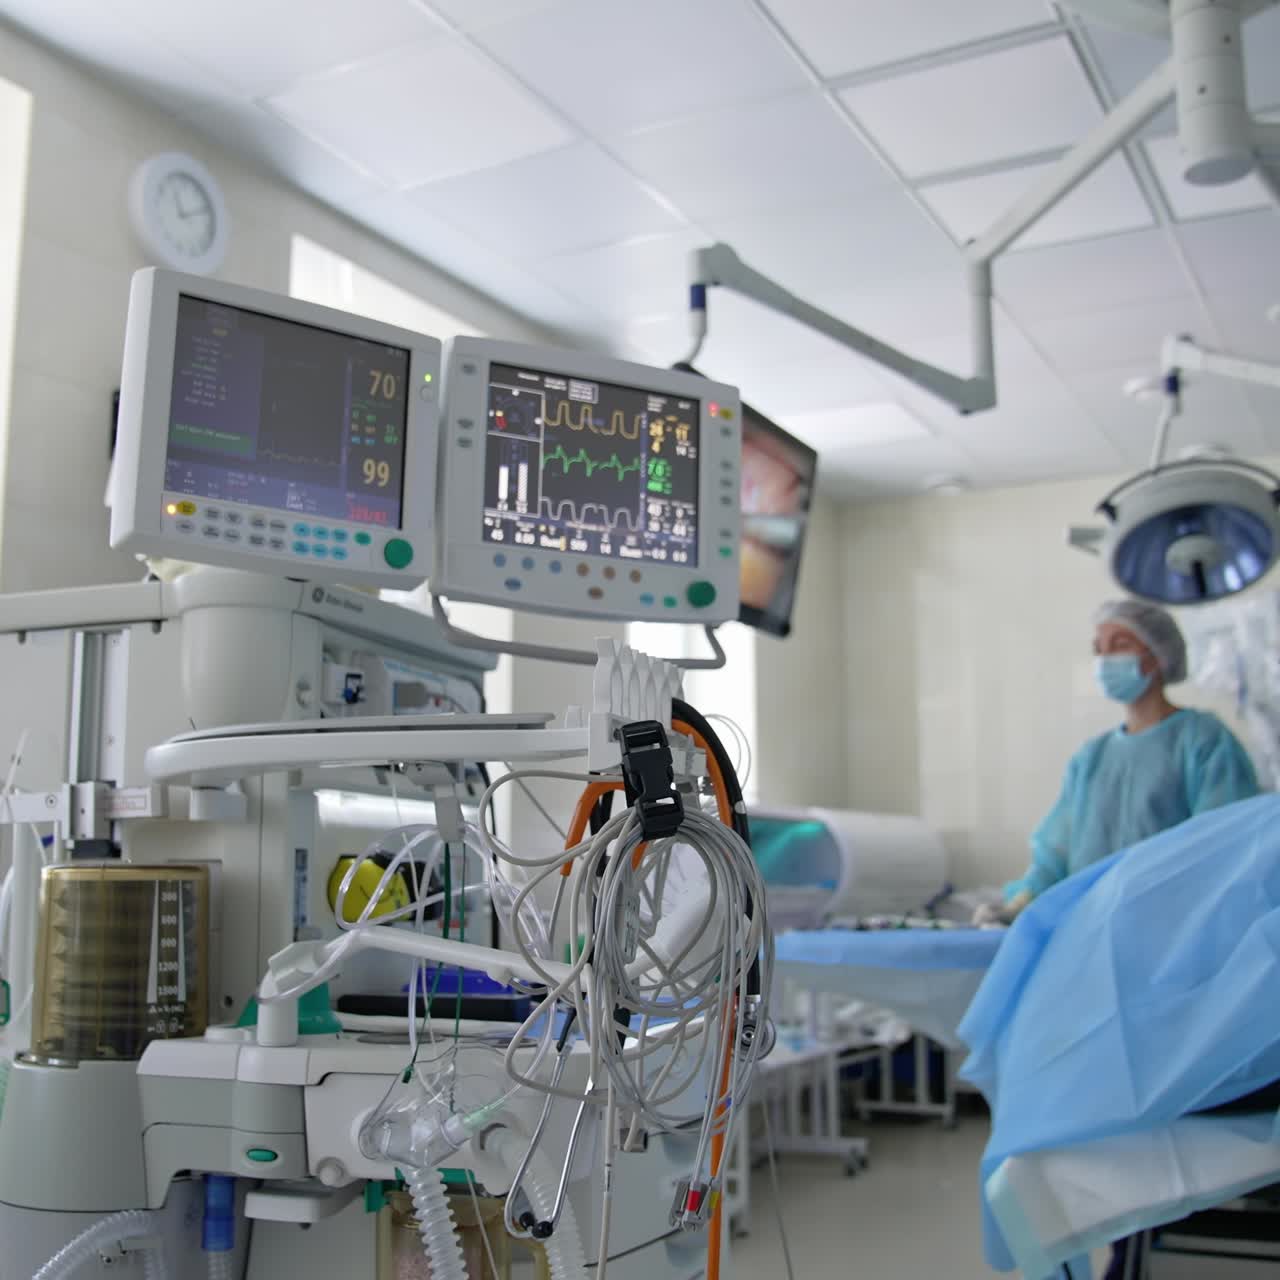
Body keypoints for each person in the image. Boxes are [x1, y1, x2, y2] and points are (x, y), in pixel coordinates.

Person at [977, 599, 1260, 926]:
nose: (1105, 658)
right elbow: (1056, 852)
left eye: (1120, 645)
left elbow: (1223, 841)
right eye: (1099, 649)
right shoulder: (1091, 758)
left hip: (1175, 924)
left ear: (1157, 656)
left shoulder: (1203, 740)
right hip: (1091, 924)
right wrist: (1023, 902)